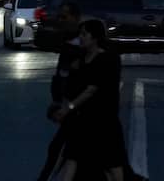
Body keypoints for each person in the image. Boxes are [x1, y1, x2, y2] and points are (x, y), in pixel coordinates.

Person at [51, 19, 129, 181]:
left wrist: (68, 108)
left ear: (95, 37)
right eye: (80, 34)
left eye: (84, 34)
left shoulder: (106, 59)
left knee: (112, 165)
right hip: (84, 120)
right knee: (72, 159)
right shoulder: (81, 59)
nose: (81, 37)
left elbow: (91, 90)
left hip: (104, 121)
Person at [37, 2, 85, 181]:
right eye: (60, 16)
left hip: (80, 112)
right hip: (70, 110)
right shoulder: (67, 43)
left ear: (75, 18)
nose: (61, 20)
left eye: (65, 17)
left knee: (62, 153)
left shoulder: (81, 46)